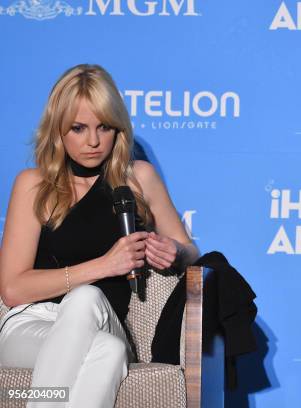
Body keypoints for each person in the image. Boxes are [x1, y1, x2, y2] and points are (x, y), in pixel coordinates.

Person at [0, 64, 199, 408]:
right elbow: (13, 289)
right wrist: (106, 265)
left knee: (88, 301)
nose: (93, 141)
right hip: (31, 324)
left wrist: (175, 250)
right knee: (109, 352)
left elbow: (192, 254)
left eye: (103, 127)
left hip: (105, 320)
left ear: (117, 129)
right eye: (78, 128)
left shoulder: (138, 177)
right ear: (58, 130)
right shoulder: (33, 184)